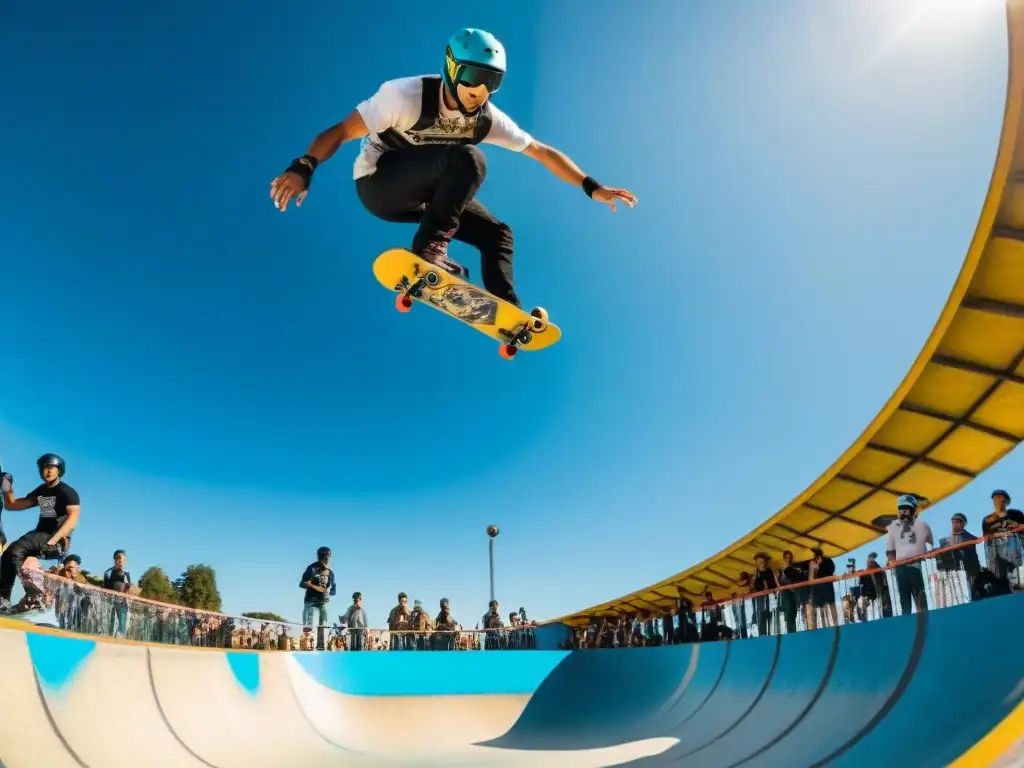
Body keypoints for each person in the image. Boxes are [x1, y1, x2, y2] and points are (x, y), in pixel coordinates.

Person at [269, 28, 638, 308]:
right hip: (378, 184)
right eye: (473, 78)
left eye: (492, 82)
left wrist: (592, 185)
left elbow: (541, 151)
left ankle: (506, 311)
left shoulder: (487, 119)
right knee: (468, 158)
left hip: (425, 198)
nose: (480, 91)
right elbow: (342, 130)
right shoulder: (404, 96)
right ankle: (430, 249)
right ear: (451, 69)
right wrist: (304, 168)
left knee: (498, 234)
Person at [0, 454, 81, 613]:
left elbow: (72, 519)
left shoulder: (67, 492)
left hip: (56, 540)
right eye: (44, 469)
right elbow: (12, 505)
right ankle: (4, 599)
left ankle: (34, 594)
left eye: (51, 468)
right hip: (40, 536)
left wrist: (55, 538)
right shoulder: (41, 491)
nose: (47, 472)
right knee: (9, 553)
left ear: (59, 470)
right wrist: (6, 487)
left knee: (19, 546)